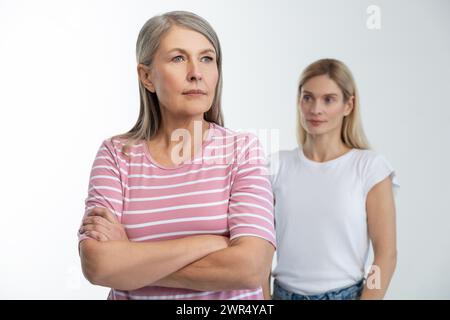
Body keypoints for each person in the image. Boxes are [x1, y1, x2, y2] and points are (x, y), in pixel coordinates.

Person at [78, 11, 275, 300]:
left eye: (207, 58)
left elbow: (251, 268)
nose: (196, 72)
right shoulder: (116, 155)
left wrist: (131, 262)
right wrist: (212, 243)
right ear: (146, 76)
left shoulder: (242, 150)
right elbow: (99, 265)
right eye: (178, 58)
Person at [266, 58, 398, 300]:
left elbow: (386, 254)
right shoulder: (276, 166)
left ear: (348, 105)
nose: (316, 109)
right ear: (299, 101)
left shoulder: (369, 167)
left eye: (329, 99)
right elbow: (259, 250)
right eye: (308, 97)